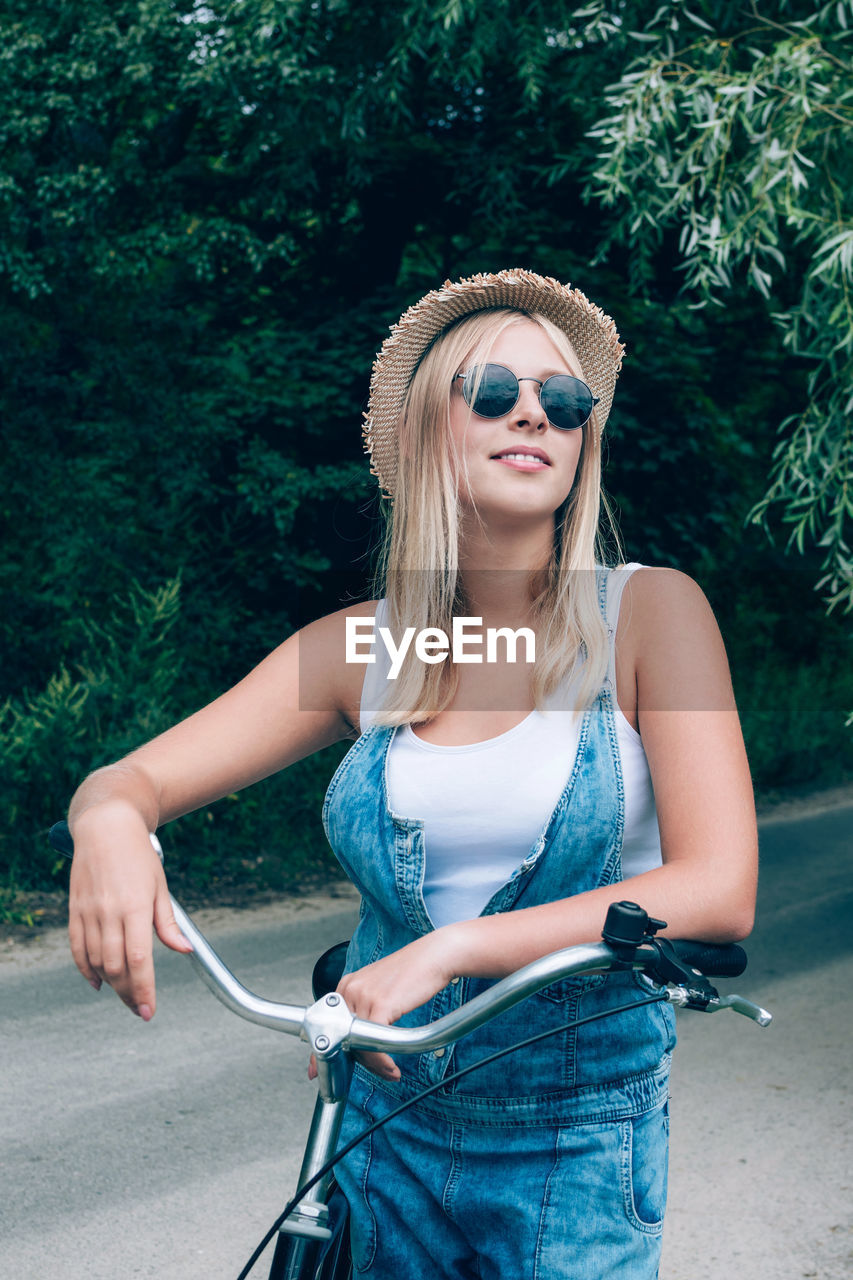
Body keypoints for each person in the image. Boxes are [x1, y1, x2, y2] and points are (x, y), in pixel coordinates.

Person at [67, 269, 757, 1279]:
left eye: (565, 403)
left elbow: (718, 886)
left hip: (574, 1148)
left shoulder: (648, 616)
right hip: (379, 1133)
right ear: (431, 426)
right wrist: (109, 824)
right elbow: (126, 781)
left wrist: (455, 949)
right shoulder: (362, 649)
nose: (535, 412)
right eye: (493, 389)